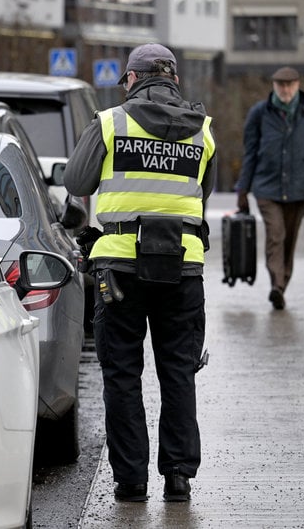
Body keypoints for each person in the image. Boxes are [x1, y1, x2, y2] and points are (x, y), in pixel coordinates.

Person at [63, 43, 217, 503]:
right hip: (183, 266)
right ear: (174, 81)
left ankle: (131, 481)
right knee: (178, 372)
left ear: (132, 79)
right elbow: (202, 192)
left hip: (119, 268)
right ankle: (178, 477)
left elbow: (75, 182)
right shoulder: (204, 131)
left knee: (123, 375)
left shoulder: (110, 123)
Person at [235, 66, 304, 311]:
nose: (285, 89)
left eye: (289, 85)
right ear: (274, 86)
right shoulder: (259, 113)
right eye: (281, 85)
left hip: (299, 189)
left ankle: (281, 285)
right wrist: (243, 189)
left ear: (297, 85)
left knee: (290, 239)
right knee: (276, 234)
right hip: (267, 187)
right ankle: (277, 284)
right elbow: (250, 152)